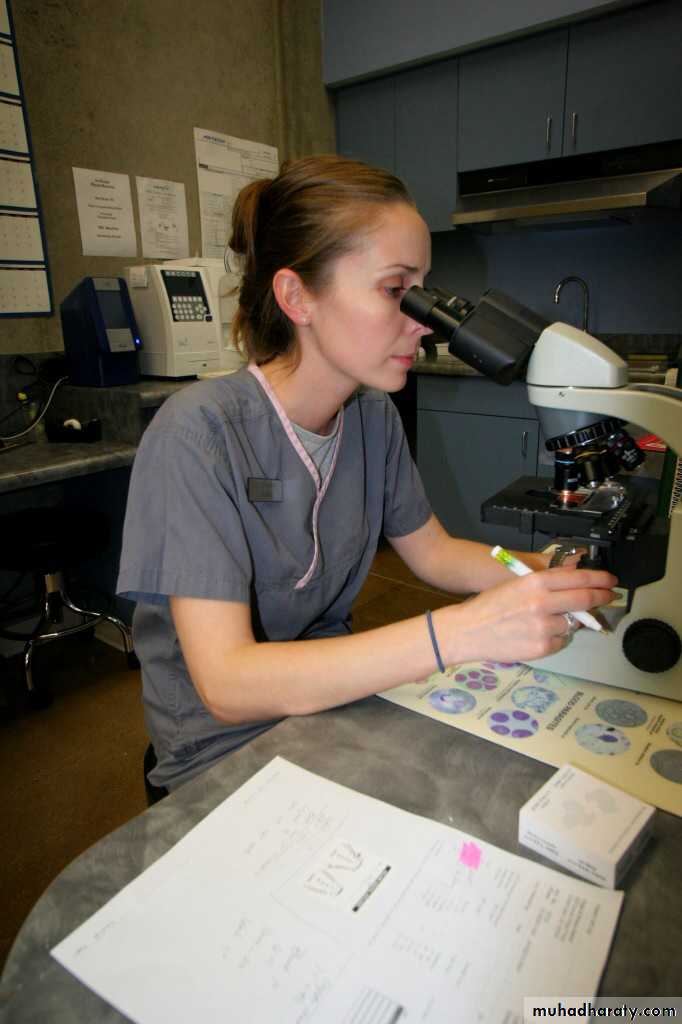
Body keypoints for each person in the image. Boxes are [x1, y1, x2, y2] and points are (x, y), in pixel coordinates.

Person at [117, 155, 616, 792]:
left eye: (424, 290)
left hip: (333, 702)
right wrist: (462, 630)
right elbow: (227, 684)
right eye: (394, 289)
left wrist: (537, 570)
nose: (424, 320)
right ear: (297, 297)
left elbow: (435, 553)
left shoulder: (371, 415)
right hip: (219, 744)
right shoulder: (197, 435)